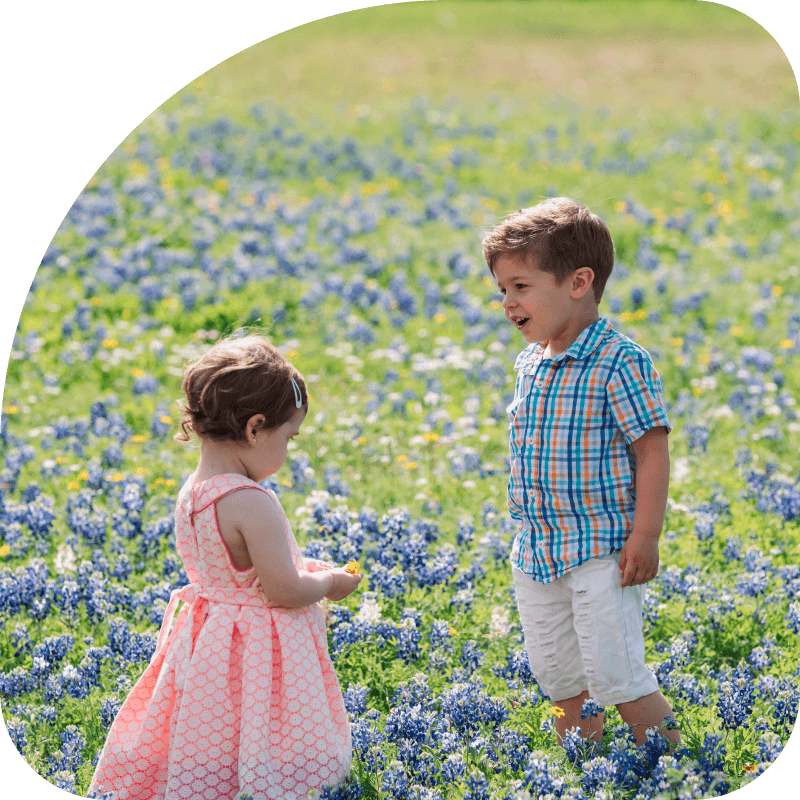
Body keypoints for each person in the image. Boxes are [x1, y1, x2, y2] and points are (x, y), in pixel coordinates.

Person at [89, 334, 361, 800]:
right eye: (289, 438)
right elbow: (282, 589)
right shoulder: (252, 502)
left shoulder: (192, 492)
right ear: (256, 428)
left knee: (213, 724)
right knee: (267, 725)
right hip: (260, 646)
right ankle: (280, 787)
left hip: (210, 640)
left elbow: (235, 572)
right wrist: (330, 582)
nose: (288, 452)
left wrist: (303, 568)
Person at [482, 197, 681, 748]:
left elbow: (652, 451)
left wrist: (645, 536)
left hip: (601, 550)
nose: (507, 302)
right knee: (562, 681)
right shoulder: (531, 361)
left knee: (618, 678)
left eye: (520, 286)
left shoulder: (621, 361)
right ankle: (587, 771)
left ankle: (679, 770)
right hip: (538, 550)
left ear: (578, 283)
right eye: (502, 290)